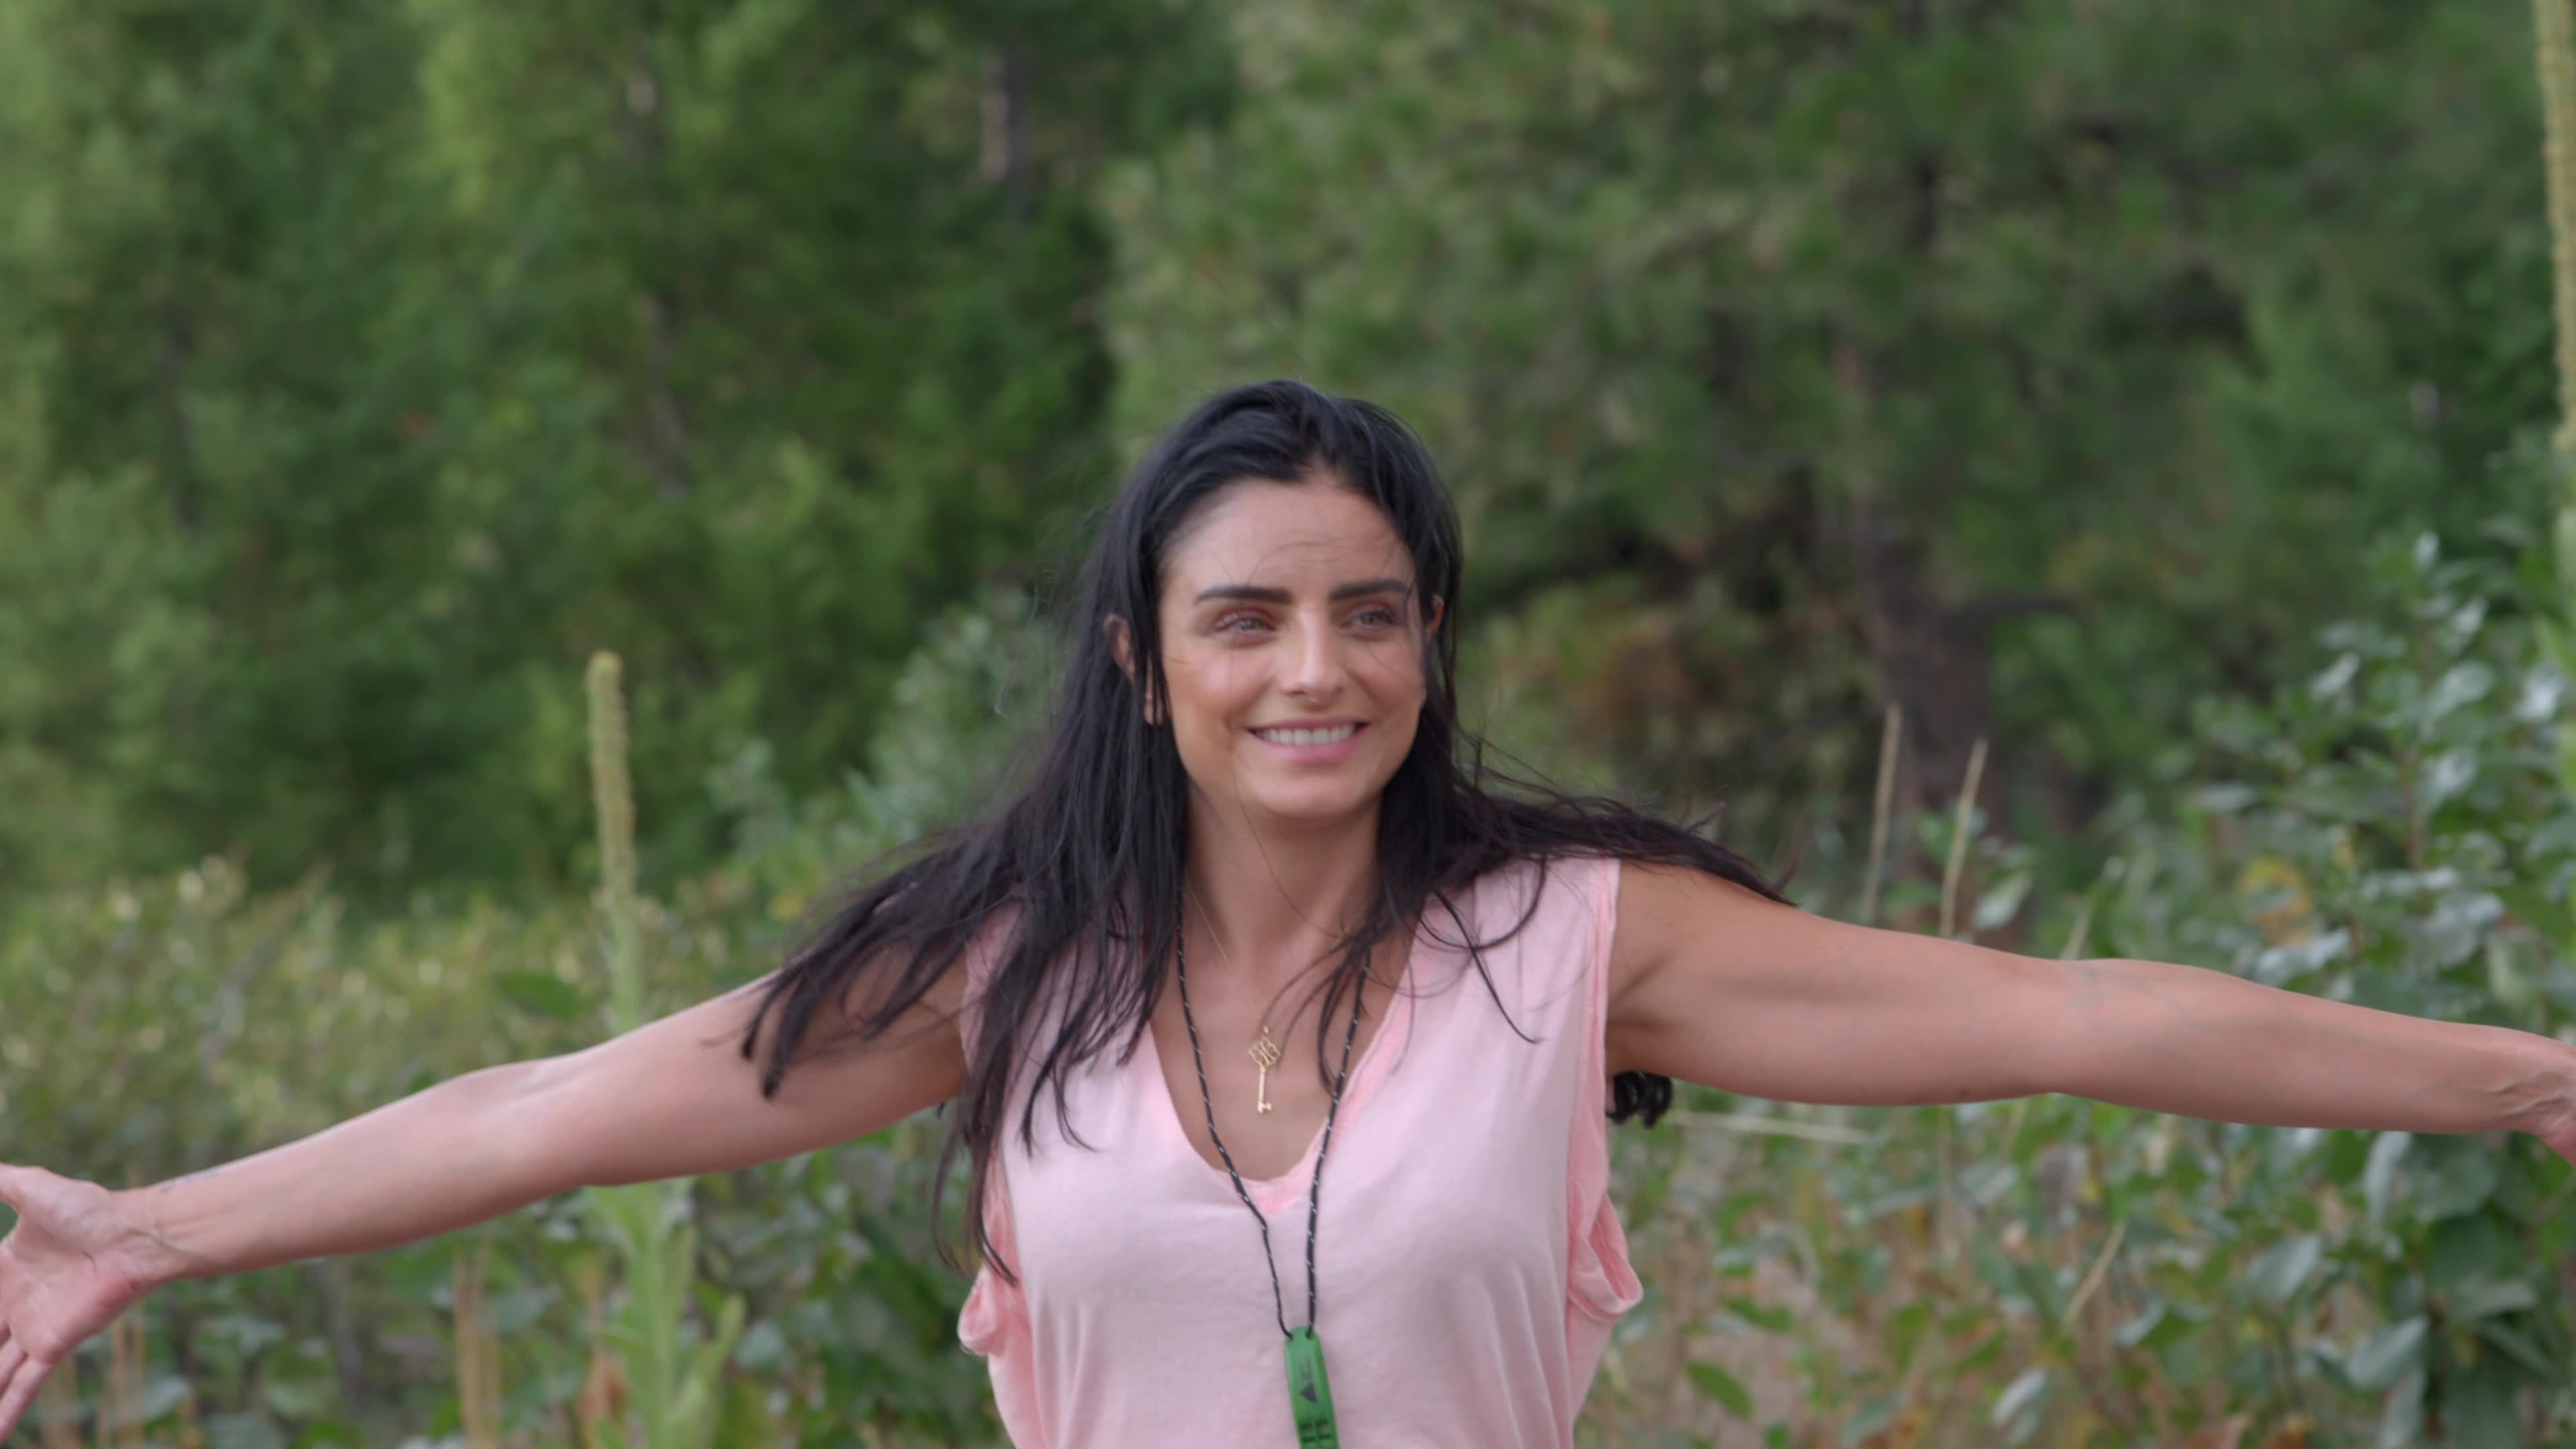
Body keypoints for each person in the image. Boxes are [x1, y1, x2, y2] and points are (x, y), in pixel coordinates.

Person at [2, 379, 2571, 1446]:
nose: (1314, 670)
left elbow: (2075, 1015)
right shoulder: (1004, 980)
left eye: (1369, 612)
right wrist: (139, 1230)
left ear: (1431, 644)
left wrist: (2531, 1084)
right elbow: (552, 1111)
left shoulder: (1576, 943)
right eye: (1246, 619)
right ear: (1148, 662)